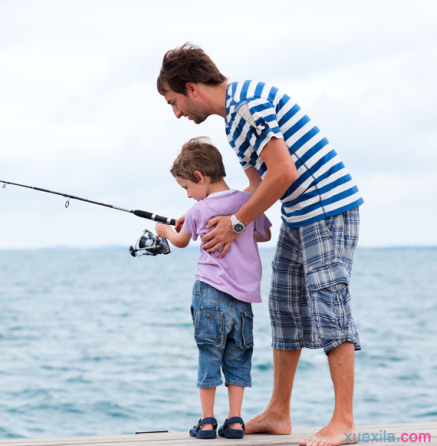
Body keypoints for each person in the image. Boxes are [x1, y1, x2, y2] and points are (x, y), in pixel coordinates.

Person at [156, 43, 364, 446]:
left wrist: (235, 224)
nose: (177, 113)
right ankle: (278, 413)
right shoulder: (233, 123)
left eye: (174, 101)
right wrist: (206, 211)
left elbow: (283, 172)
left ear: (192, 87)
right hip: (299, 216)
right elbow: (255, 188)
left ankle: (344, 421)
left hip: (327, 209)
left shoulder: (248, 102)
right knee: (284, 306)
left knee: (329, 306)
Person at [156, 137, 271, 440]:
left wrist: (164, 229)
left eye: (186, 189)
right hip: (243, 300)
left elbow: (180, 241)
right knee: (238, 357)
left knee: (209, 355)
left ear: (199, 178)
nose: (190, 196)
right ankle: (235, 421)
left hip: (208, 294)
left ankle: (207, 421)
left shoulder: (199, 210)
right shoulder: (248, 203)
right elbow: (265, 234)